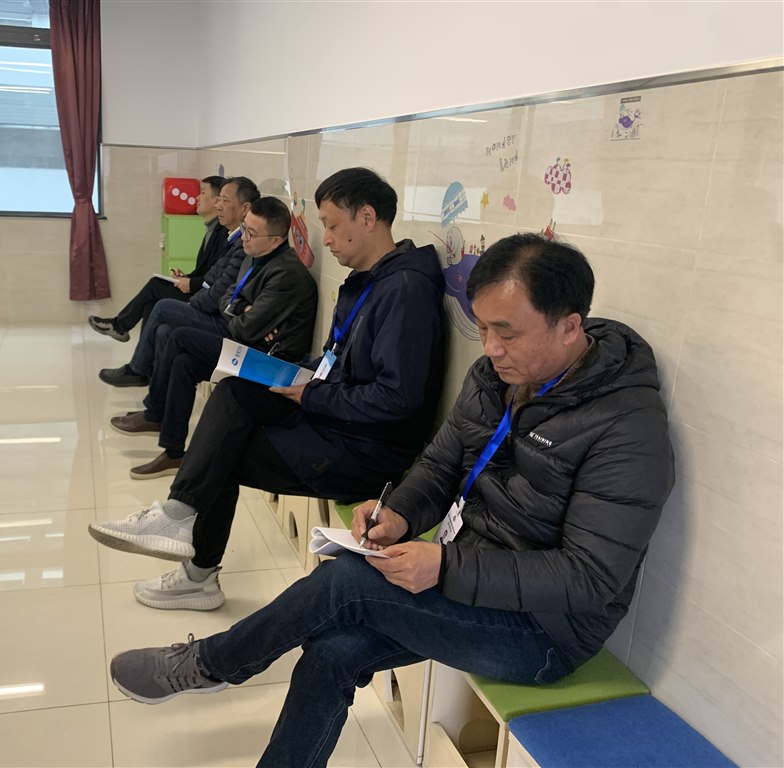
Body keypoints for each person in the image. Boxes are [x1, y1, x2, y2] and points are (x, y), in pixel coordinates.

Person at [106, 232, 676, 768]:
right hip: (474, 575)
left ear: (570, 327)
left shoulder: (627, 429)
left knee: (347, 582)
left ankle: (212, 664)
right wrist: (399, 512)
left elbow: (589, 578)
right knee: (332, 650)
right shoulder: (495, 377)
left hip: (544, 632)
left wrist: (445, 566)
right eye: (482, 329)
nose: (492, 349)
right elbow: (441, 464)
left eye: (507, 332)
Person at [88, 167, 446, 610]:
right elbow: (340, 361)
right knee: (235, 390)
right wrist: (297, 373)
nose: (327, 240)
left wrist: (311, 393)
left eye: (332, 226)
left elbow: (398, 399)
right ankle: (178, 518)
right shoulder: (371, 281)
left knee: (222, 453)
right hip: (336, 415)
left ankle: (196, 572)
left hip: (364, 451)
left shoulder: (405, 291)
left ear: (367, 217)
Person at [110, 196, 319, 480]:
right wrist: (243, 308)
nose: (244, 237)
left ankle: (155, 412)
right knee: (183, 362)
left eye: (251, 233)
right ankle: (173, 452)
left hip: (270, 362)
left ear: (276, 240)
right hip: (247, 344)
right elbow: (226, 298)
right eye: (244, 228)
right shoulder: (254, 256)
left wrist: (240, 311)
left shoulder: (287, 274)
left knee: (179, 335)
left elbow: (244, 328)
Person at [98, 177, 259, 387]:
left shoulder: (239, 244)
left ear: (245, 208)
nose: (218, 205)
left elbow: (220, 292)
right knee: (159, 317)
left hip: (220, 318)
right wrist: (190, 281)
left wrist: (192, 295)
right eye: (219, 199)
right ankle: (152, 388)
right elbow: (212, 278)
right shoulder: (229, 237)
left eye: (224, 200)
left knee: (162, 303)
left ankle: (137, 366)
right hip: (206, 299)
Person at [88, 175, 228, 342]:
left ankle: (120, 327)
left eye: (203, 192)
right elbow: (207, 271)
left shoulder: (223, 234)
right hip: (199, 289)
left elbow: (217, 279)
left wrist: (191, 282)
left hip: (205, 297)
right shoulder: (211, 229)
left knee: (155, 286)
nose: (197, 197)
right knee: (151, 302)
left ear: (217, 201)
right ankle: (142, 352)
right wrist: (186, 277)